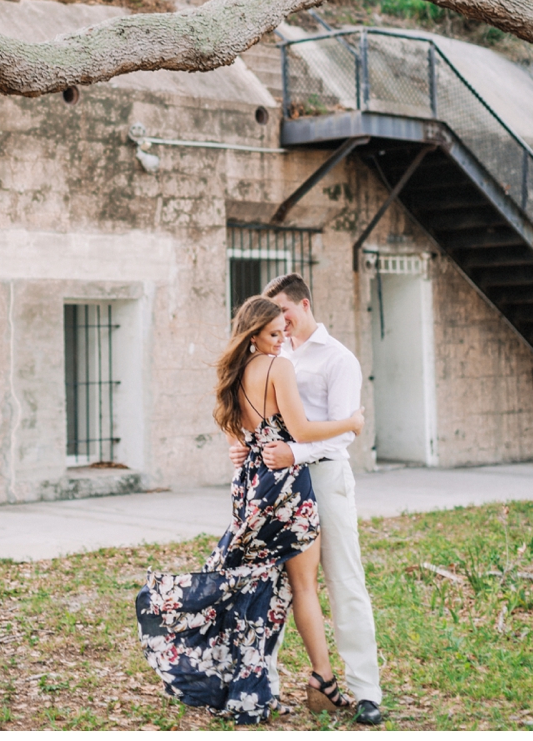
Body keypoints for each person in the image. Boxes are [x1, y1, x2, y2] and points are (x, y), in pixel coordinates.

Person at [136, 295, 364, 725]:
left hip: (252, 487)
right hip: (287, 490)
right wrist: (351, 423)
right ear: (254, 334)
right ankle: (324, 681)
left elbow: (232, 430)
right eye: (274, 334)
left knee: (256, 585)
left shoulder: (236, 373)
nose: (282, 341)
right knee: (304, 588)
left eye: (284, 332)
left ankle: (249, 677)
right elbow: (300, 431)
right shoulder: (279, 367)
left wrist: (238, 448)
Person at [229, 273, 383, 726]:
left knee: (343, 580)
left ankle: (365, 689)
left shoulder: (340, 360)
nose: (283, 327)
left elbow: (337, 437)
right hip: (277, 483)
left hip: (322, 476)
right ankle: (264, 685)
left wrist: (295, 450)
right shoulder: (273, 353)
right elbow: (254, 418)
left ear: (305, 304)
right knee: (271, 583)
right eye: (275, 322)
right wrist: (242, 444)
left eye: (287, 316)